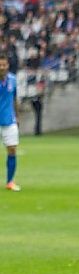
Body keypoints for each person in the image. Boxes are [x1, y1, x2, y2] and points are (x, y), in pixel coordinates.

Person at [0, 53, 20, 192]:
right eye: (0, 65)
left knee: (12, 150)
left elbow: (14, 98)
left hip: (9, 120)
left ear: (8, 65)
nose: (2, 67)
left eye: (4, 64)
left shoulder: (13, 79)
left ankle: (10, 181)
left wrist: (17, 116)